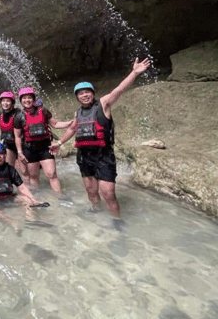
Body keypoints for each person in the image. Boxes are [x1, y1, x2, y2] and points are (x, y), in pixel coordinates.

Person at [50, 58, 151, 226]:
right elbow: (72, 129)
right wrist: (59, 143)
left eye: (87, 91)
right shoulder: (78, 113)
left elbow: (119, 90)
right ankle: (96, 211)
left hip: (103, 156)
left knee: (108, 194)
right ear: (77, 97)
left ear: (93, 93)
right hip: (84, 157)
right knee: (91, 191)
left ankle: (116, 221)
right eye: (80, 93)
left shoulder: (103, 104)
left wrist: (134, 73)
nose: (84, 95)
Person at [14, 87, 72, 191]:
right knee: (34, 176)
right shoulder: (19, 116)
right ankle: (37, 198)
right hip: (29, 148)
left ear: (34, 99)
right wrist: (19, 152)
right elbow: (17, 136)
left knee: (52, 174)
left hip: (45, 147)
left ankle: (60, 198)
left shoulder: (43, 111)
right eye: (24, 98)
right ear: (21, 100)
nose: (27, 100)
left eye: (29, 98)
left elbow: (55, 124)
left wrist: (69, 123)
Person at [0, 143, 41, 228]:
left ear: (5, 156)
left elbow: (22, 187)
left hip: (7, 197)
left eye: (1, 154)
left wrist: (33, 199)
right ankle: (11, 223)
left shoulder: (10, 169)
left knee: (28, 200)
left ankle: (30, 221)